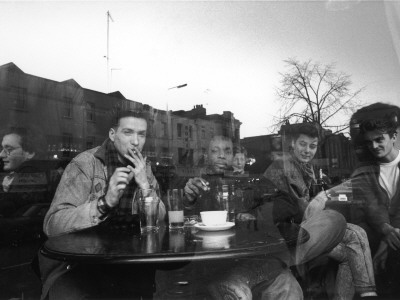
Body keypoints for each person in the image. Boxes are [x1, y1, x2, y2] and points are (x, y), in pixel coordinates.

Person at [39, 110, 166, 300]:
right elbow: (53, 224)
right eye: (128, 132)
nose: (136, 141)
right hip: (79, 269)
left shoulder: (143, 168)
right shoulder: (85, 164)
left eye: (141, 134)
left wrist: (145, 185)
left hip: (128, 267)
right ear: (112, 134)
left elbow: (161, 217)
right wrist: (104, 203)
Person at [264, 123, 377, 299]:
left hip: (303, 230)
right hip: (289, 239)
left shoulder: (306, 168)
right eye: (303, 144)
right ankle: (368, 293)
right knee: (355, 235)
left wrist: (325, 199)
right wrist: (322, 200)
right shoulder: (284, 167)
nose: (307, 150)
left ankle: (366, 292)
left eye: (312, 146)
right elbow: (297, 210)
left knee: (355, 243)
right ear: (293, 143)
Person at [184, 135, 303, 300]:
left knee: (289, 287)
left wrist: (254, 216)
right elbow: (181, 225)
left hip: (253, 259)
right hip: (215, 267)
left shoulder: (251, 182)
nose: (221, 155)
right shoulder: (198, 185)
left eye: (227, 151)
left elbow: (288, 203)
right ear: (207, 155)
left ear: (233, 156)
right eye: (215, 150)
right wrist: (188, 201)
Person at [350, 103, 400, 296]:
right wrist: (385, 232)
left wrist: (386, 243)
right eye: (369, 141)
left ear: (394, 136)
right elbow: (366, 208)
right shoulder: (363, 171)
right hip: (377, 238)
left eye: (379, 139)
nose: (374, 146)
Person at [0, 127, 49, 217]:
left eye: (9, 149)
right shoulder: (17, 173)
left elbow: (8, 209)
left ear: (29, 153)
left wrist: (5, 191)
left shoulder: (30, 174)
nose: (1, 154)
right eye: (2, 148)